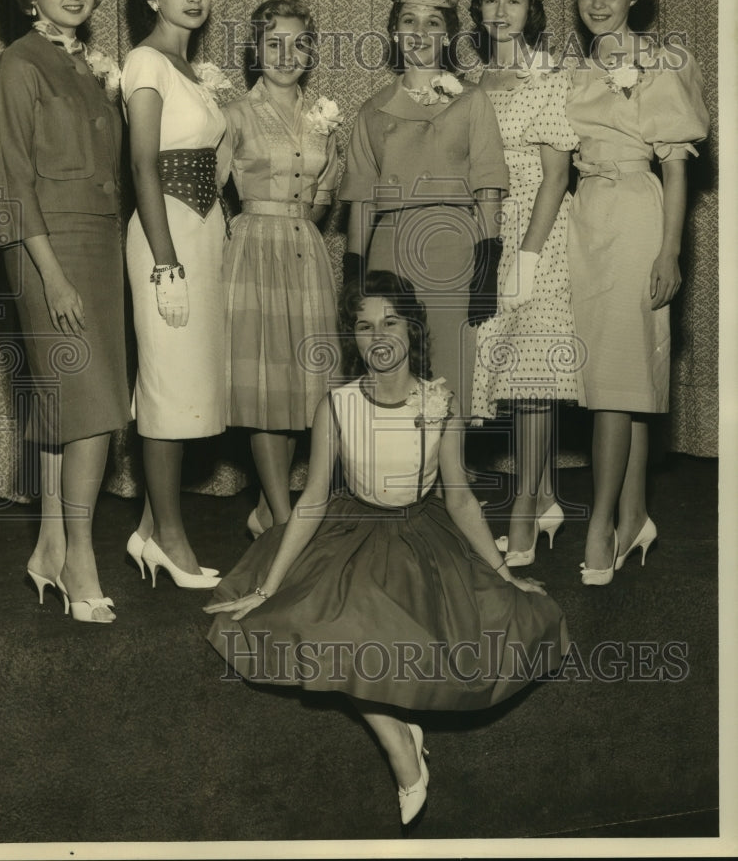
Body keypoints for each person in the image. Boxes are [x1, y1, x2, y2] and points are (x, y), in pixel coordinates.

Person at [204, 271, 569, 830]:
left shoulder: (440, 401)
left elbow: (461, 497)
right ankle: (400, 745)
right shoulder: (338, 406)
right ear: (353, 338)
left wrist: (504, 573)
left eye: (390, 322)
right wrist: (267, 586)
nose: (378, 336)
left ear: (412, 328)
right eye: (364, 325)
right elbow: (312, 501)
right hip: (350, 531)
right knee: (335, 626)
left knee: (454, 631)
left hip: (422, 536)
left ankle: (404, 735)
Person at [0, 0, 130, 623]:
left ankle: (48, 545)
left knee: (71, 406)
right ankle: (80, 555)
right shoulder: (20, 63)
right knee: (94, 407)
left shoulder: (86, 66)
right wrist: (53, 276)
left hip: (98, 245)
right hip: (48, 247)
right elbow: (11, 183)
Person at [563, 0, 709, 584]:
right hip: (585, 218)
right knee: (624, 379)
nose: (598, 3)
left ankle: (598, 527)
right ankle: (635, 514)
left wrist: (671, 251)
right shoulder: (578, 66)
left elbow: (677, 167)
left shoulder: (663, 61)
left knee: (613, 388)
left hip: (635, 216)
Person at [339, 0, 509, 420]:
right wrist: (354, 277)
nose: (419, 32)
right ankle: (398, 481)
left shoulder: (473, 101)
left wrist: (488, 262)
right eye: (409, 21)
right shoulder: (372, 109)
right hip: (389, 251)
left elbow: (488, 185)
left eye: (433, 22)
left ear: (448, 33)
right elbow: (360, 199)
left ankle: (454, 482)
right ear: (395, 31)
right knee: (392, 362)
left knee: (452, 364)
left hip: (454, 249)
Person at [121, 0, 231, 589]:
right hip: (165, 238)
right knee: (165, 390)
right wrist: (164, 262)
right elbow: (141, 162)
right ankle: (168, 537)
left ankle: (145, 527)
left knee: (185, 387)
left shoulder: (193, 71)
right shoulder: (145, 63)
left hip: (204, 233)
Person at [467, 0, 580, 565]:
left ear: (531, 8)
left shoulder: (549, 79)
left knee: (533, 378)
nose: (501, 12)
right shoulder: (473, 82)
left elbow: (555, 177)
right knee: (504, 376)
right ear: (478, 9)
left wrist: (529, 258)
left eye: (513, 0)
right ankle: (541, 499)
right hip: (489, 235)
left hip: (541, 238)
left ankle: (524, 515)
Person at [220, 0, 341, 536]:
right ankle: (284, 519)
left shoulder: (323, 118)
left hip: (304, 250)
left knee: (299, 387)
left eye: (298, 44)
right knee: (265, 386)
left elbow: (323, 196)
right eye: (274, 44)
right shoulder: (233, 114)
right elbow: (205, 192)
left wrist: (300, 224)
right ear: (254, 50)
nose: (286, 55)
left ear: (311, 51)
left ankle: (268, 510)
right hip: (254, 251)